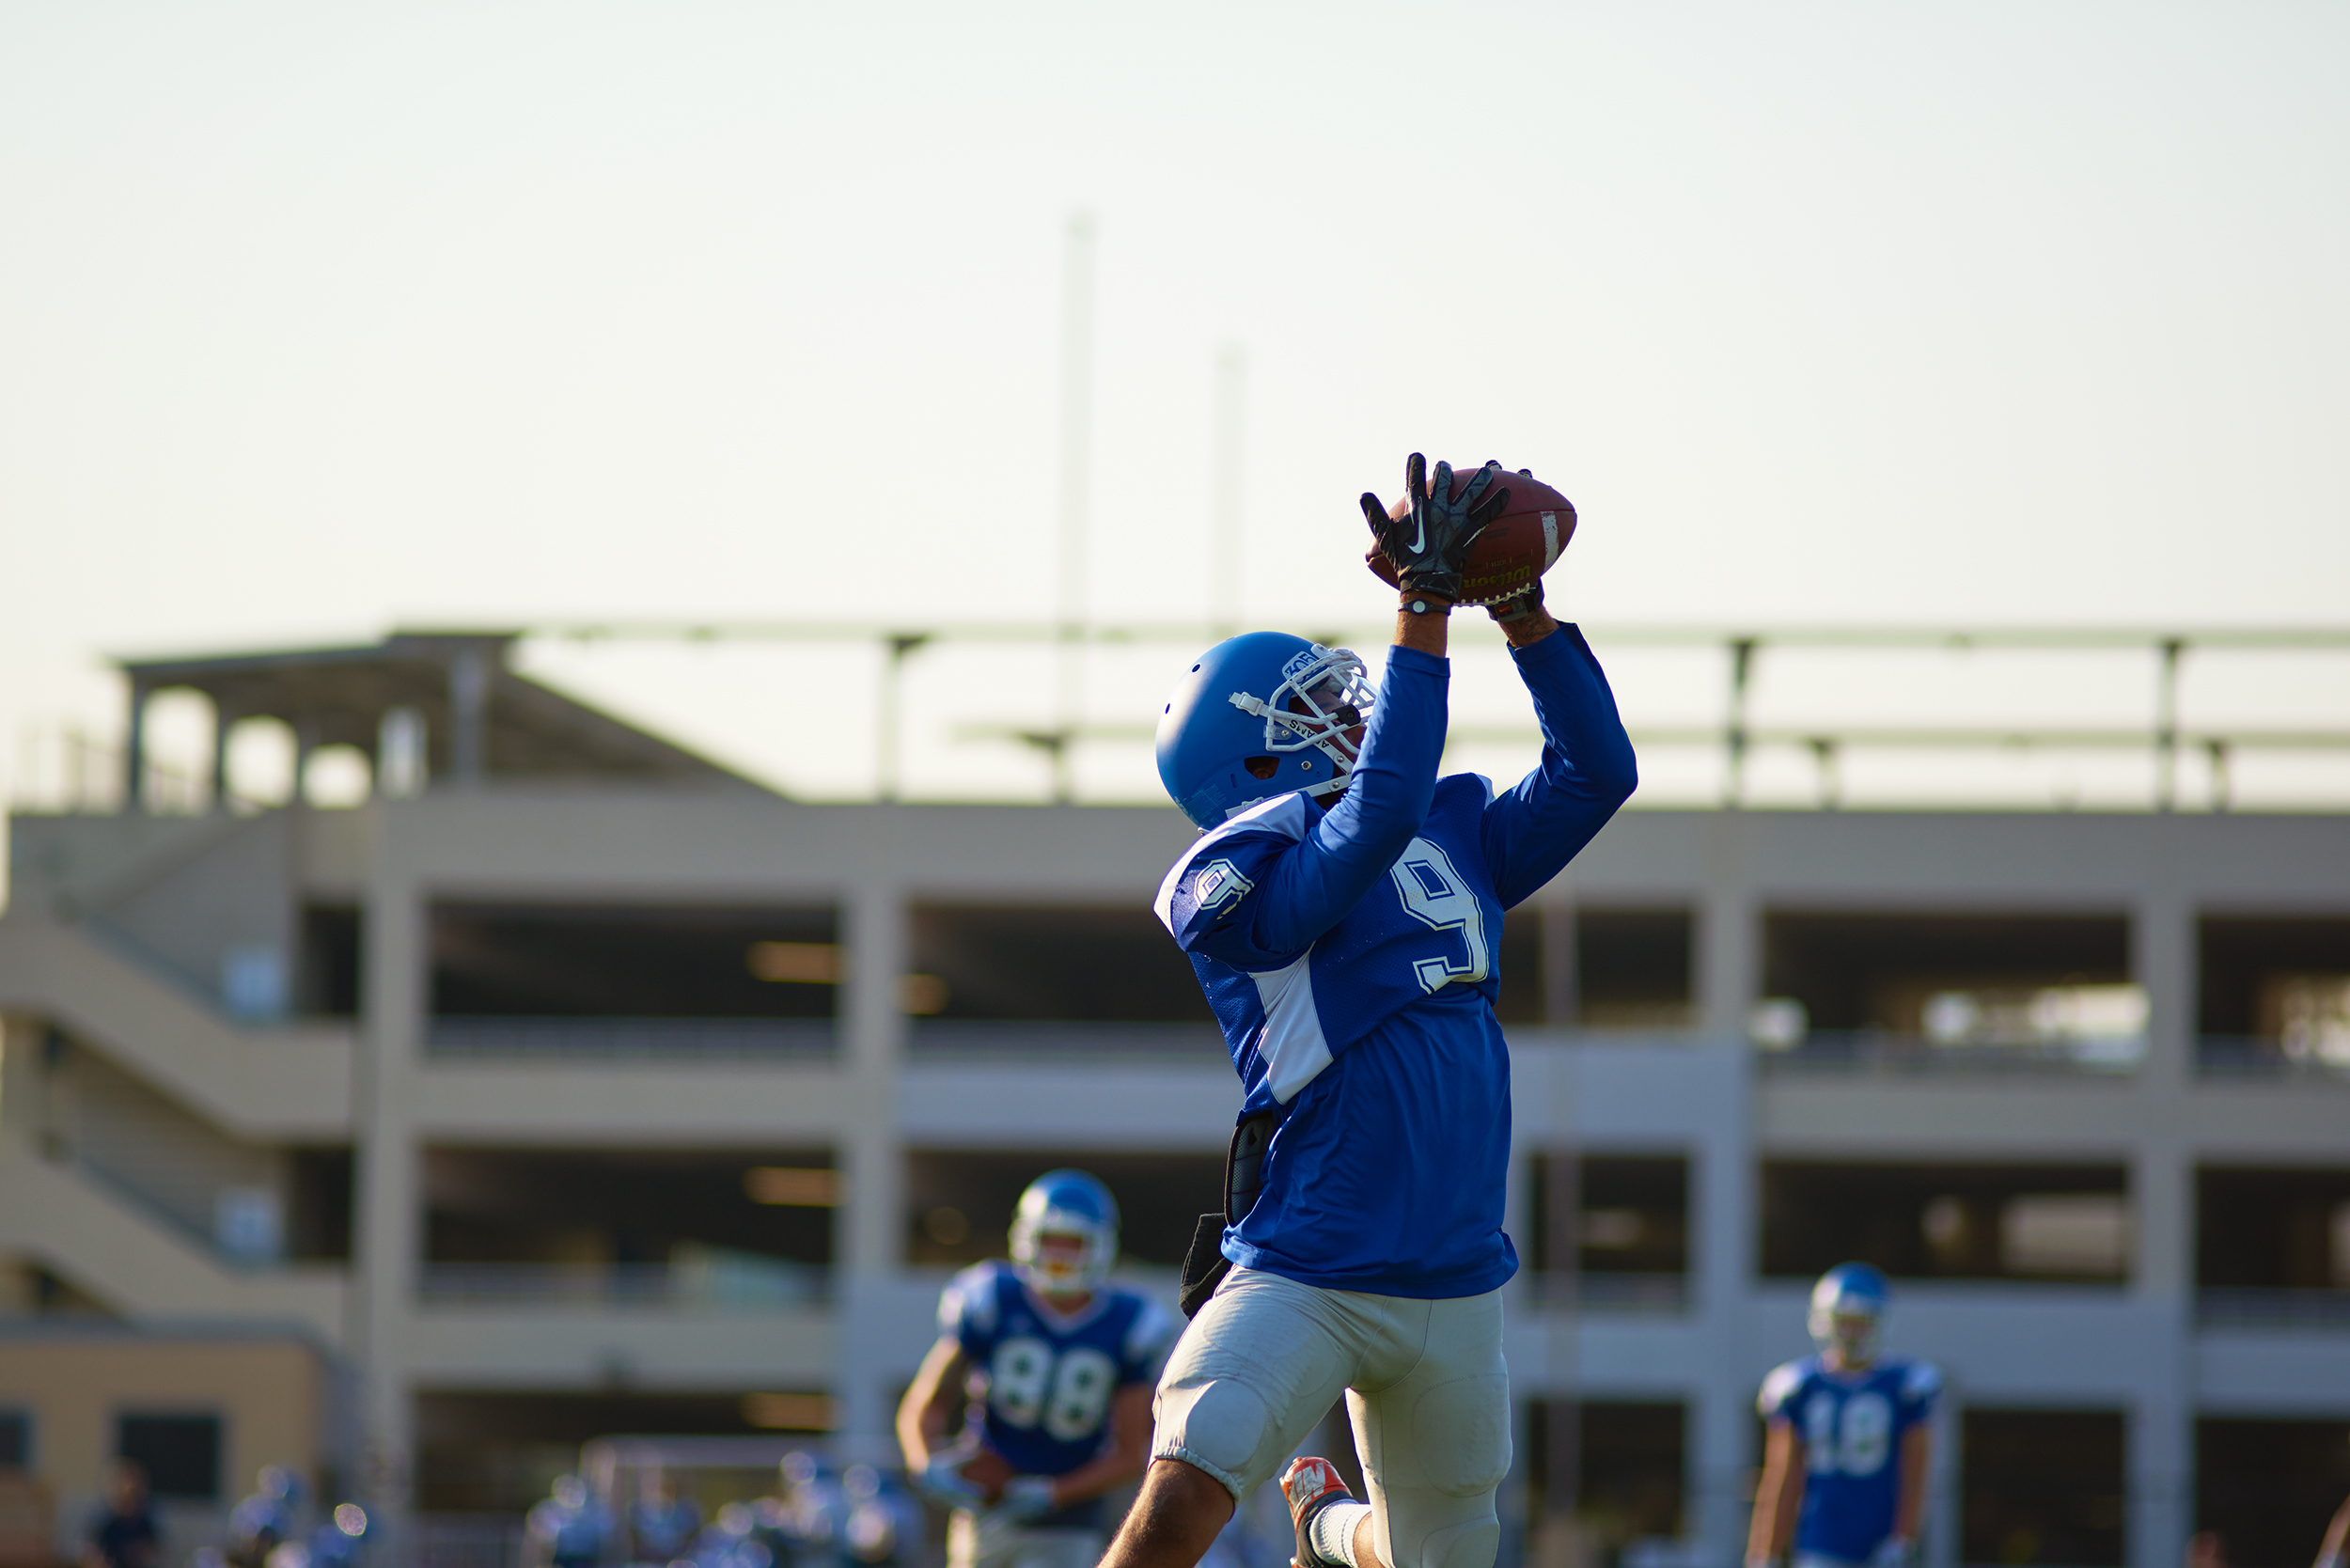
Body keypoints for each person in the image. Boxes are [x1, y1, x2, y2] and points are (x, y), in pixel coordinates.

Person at [1108, 454, 1637, 1568]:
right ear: (1248, 753)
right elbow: (1380, 806)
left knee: (1435, 1558)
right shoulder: (1234, 871)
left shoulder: (1446, 831)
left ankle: (1324, 1526)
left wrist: (1521, 612)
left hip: (1454, 1268)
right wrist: (1420, 610)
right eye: (1312, 708)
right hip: (1310, 1260)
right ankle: (1317, 1522)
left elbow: (1597, 773)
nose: (1348, 713)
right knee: (1181, 1502)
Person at [897, 1169, 1180, 1568]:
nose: (1060, 1255)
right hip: (985, 1507)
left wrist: (1052, 1493)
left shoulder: (1128, 1323)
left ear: (1099, 1247)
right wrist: (925, 1464)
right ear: (1026, 1238)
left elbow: (1130, 1453)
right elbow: (926, 1403)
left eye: (1073, 1243)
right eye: (1050, 1240)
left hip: (1068, 1522)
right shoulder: (992, 1298)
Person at [1748, 1264, 1941, 1568]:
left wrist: (1904, 1537)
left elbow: (1915, 1474)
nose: (1852, 1333)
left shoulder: (1904, 1386)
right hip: (1820, 1541)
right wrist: (1764, 1553)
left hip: (1880, 1543)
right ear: (1825, 1322)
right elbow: (1782, 1476)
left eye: (1861, 1322)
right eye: (1845, 1322)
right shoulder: (1799, 1387)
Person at [83, 1461, 160, 1568]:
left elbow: (155, 1550)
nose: (132, 1503)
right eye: (127, 1498)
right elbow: (94, 1553)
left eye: (135, 1497)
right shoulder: (107, 1525)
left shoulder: (145, 1523)